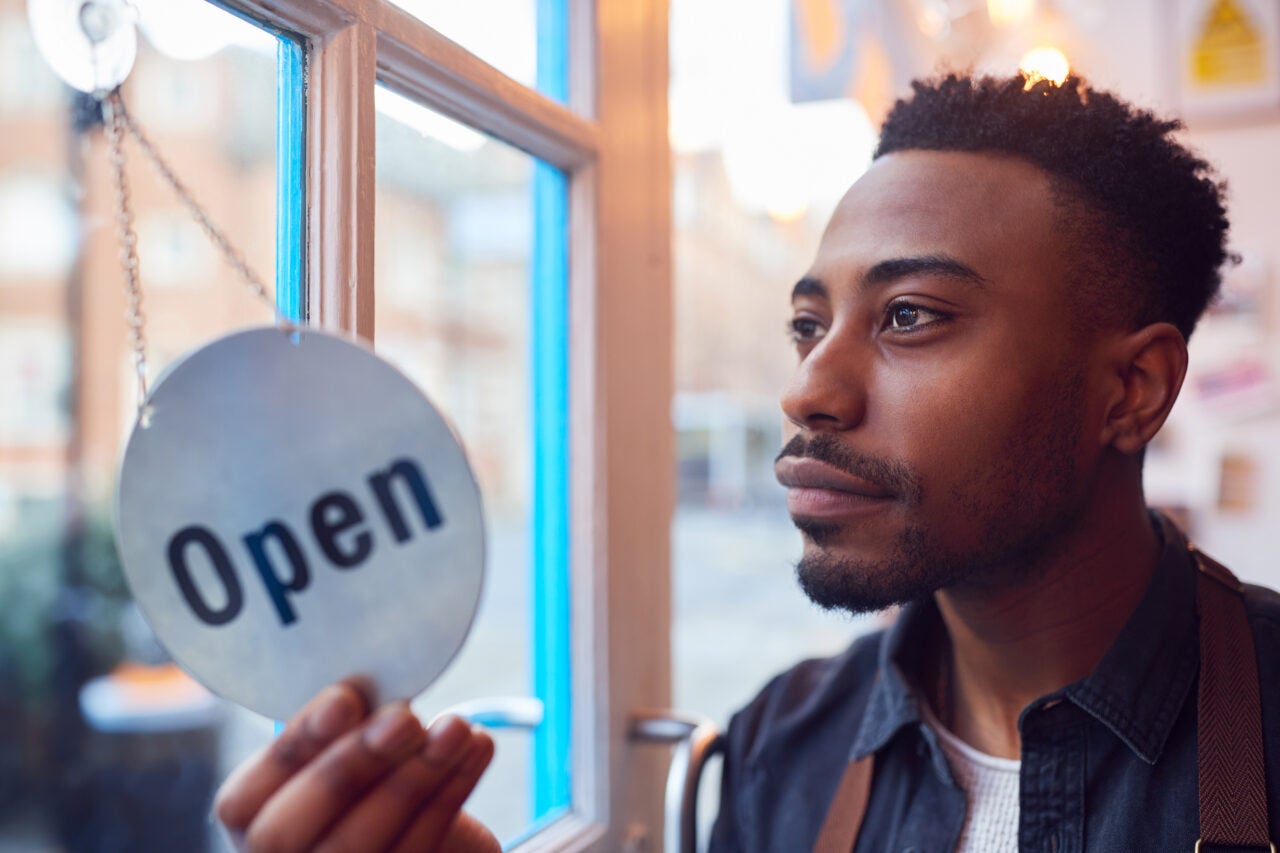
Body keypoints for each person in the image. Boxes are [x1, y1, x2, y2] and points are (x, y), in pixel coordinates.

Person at [214, 73, 1280, 851]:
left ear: (1130, 390)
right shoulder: (784, 743)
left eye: (909, 315)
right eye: (809, 325)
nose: (809, 388)